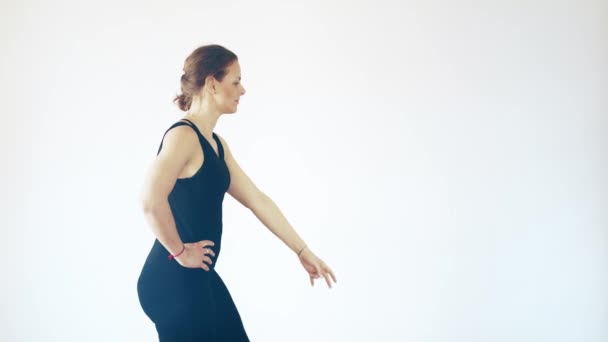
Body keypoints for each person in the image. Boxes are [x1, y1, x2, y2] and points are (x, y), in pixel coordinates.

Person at [136, 44, 337, 341]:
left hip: (198, 275)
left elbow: (257, 199)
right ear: (212, 83)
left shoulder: (215, 144)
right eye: (236, 81)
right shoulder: (183, 136)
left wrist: (302, 250)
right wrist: (179, 252)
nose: (242, 90)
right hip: (172, 280)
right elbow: (150, 201)